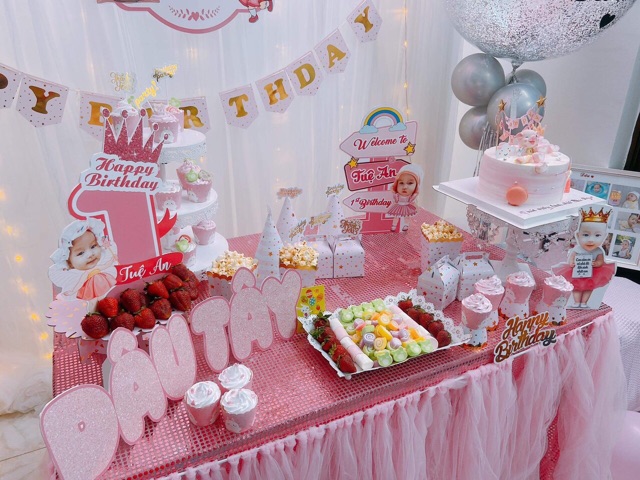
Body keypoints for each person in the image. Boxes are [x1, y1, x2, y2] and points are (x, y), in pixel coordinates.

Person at [49, 218, 118, 310]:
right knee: (93, 301)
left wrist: (113, 259)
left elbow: (106, 265)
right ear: (69, 263)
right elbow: (80, 283)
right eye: (80, 253)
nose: (90, 254)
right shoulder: (85, 274)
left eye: (93, 246)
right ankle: (94, 310)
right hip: (90, 288)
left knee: (109, 295)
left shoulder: (99, 268)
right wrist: (72, 291)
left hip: (103, 283)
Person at [553, 207, 616, 308]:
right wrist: (572, 262)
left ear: (604, 236)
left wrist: (597, 263)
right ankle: (576, 302)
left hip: (592, 274)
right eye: (586, 235)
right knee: (576, 288)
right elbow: (572, 257)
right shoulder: (577, 249)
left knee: (589, 288)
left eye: (597, 235)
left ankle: (584, 303)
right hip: (576, 273)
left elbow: (600, 261)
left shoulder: (598, 251)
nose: (591, 240)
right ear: (578, 236)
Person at [387, 164, 423, 232]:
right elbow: (394, 200)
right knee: (396, 216)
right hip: (398, 206)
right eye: (401, 183)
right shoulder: (397, 195)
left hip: (406, 206)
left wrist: (416, 207)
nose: (405, 187)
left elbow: (413, 204)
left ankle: (406, 225)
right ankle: (394, 225)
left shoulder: (411, 197)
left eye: (410, 183)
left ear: (416, 186)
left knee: (407, 216)